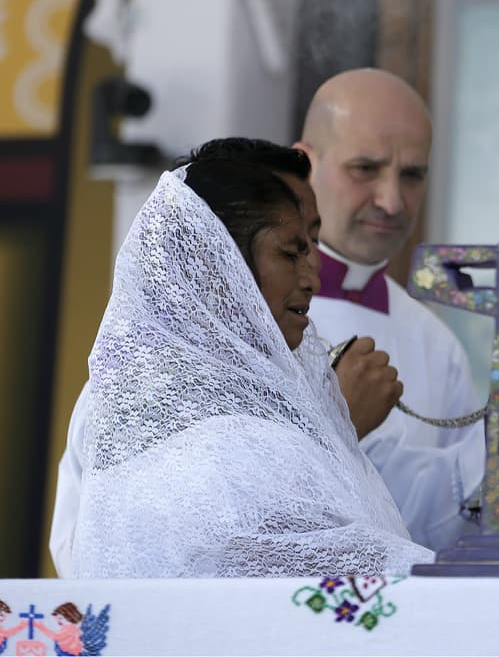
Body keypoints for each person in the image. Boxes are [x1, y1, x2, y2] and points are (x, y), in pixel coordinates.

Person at [48, 139, 405, 575]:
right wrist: (331, 426)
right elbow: (300, 569)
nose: (314, 274)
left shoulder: (282, 380)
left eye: (314, 241)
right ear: (218, 263)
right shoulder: (144, 400)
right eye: (293, 249)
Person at [295, 69, 485, 551]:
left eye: (412, 175)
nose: (391, 200)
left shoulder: (434, 341)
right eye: (365, 168)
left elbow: (459, 531)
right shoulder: (235, 316)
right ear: (304, 165)